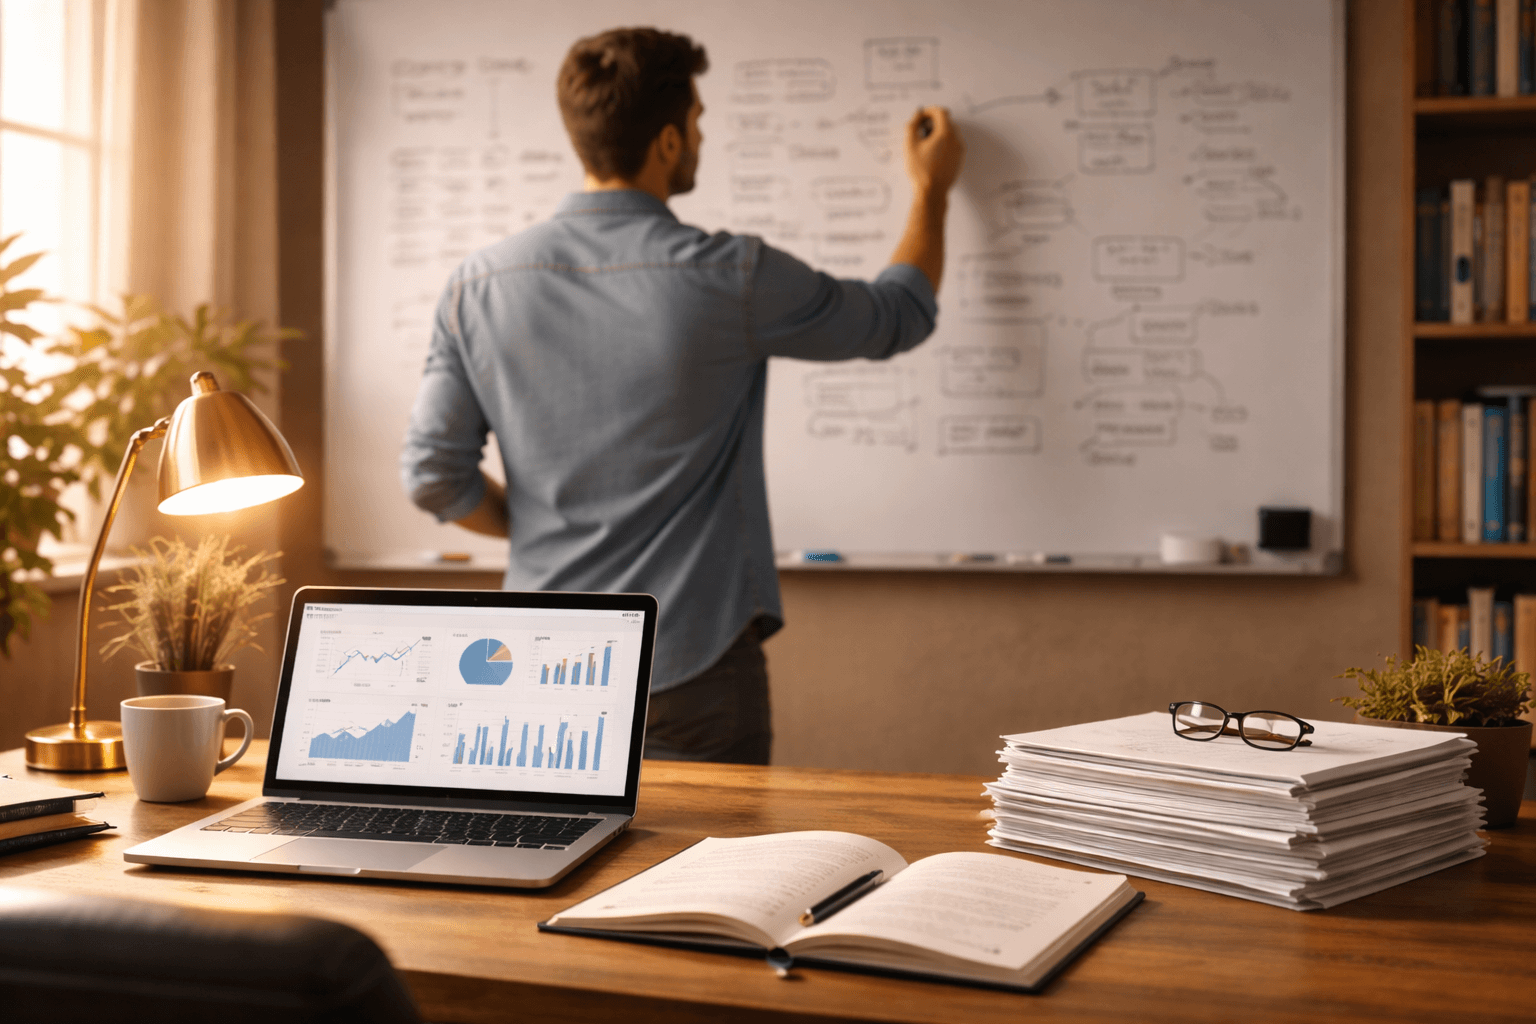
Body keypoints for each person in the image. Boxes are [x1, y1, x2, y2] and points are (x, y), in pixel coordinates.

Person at [400, 27, 964, 765]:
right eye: (697, 119)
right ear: (667, 142)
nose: (702, 133)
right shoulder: (729, 277)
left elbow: (431, 474)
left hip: (538, 663)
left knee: (558, 871)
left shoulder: (477, 287)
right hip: (694, 666)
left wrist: (538, 530)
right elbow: (898, 316)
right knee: (714, 879)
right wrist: (932, 189)